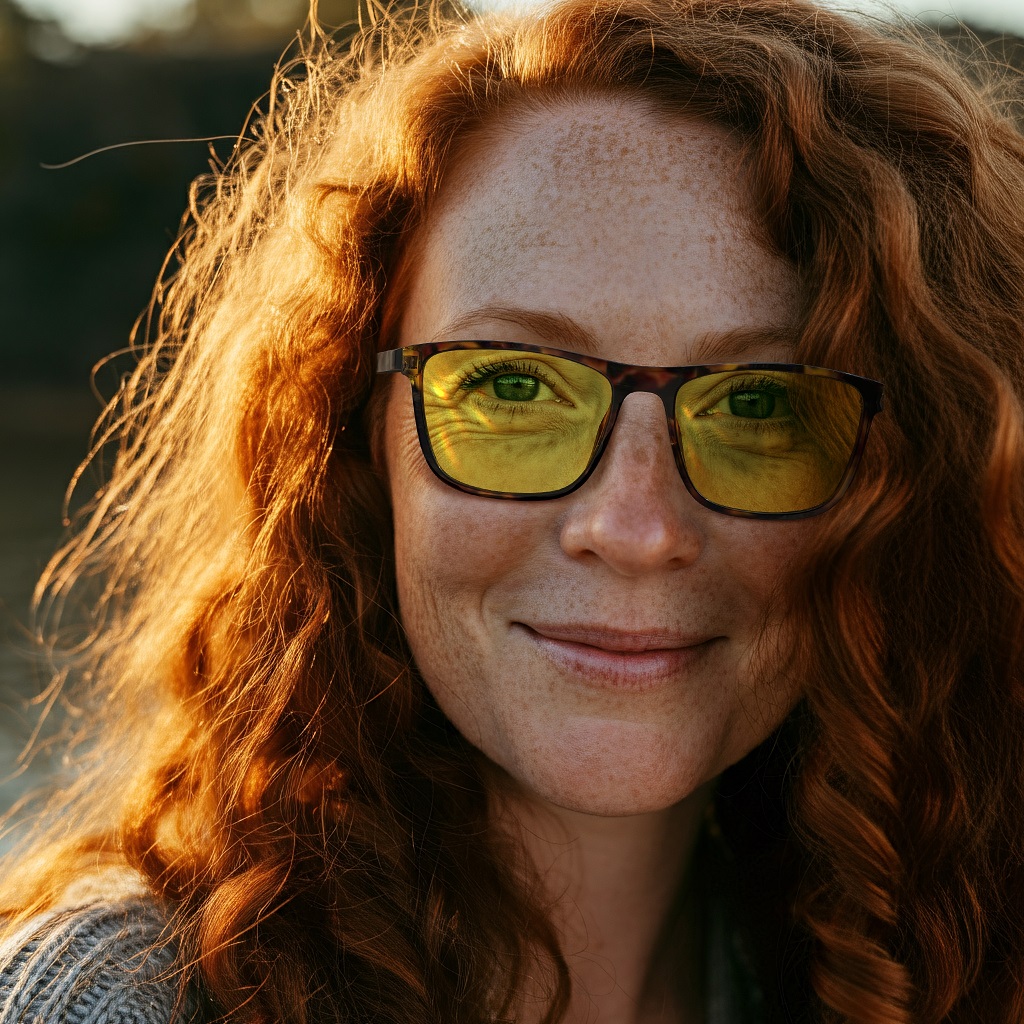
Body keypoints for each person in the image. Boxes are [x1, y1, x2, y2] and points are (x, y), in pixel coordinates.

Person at [2, 0, 1024, 1020]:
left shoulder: (924, 974)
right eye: (513, 389)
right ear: (351, 442)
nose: (633, 528)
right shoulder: (124, 1003)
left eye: (759, 404)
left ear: (911, 486)